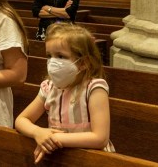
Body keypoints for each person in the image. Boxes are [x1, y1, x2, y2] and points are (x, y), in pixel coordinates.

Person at [15, 24, 115, 163]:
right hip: (60, 158)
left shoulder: (94, 88)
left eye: (60, 56)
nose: (52, 62)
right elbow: (21, 120)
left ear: (83, 63)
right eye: (49, 55)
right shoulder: (49, 88)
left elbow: (100, 138)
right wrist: (37, 132)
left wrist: (52, 139)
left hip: (93, 160)